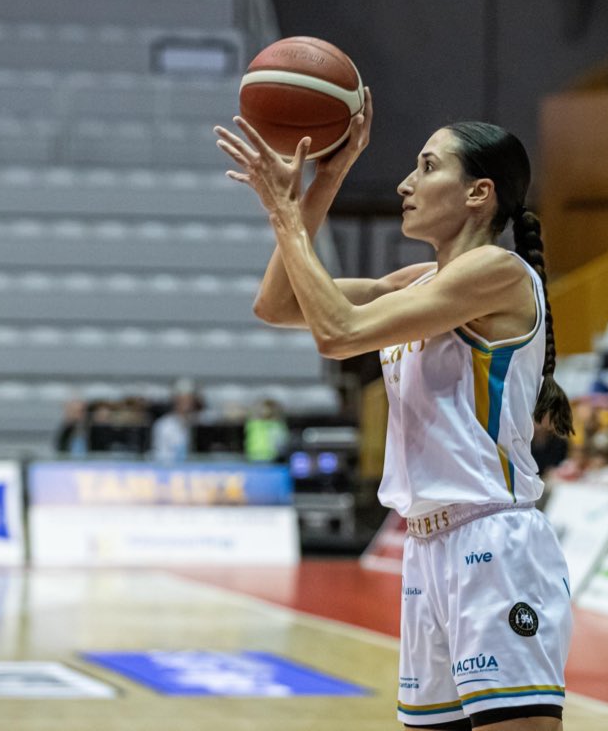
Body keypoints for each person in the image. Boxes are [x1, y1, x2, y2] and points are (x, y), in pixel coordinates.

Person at [216, 97, 573, 730]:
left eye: (427, 167)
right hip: (427, 545)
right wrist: (327, 177)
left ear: (478, 194)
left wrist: (283, 211)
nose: (406, 183)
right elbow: (275, 304)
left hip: (493, 538)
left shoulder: (498, 272)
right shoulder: (414, 283)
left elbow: (338, 332)